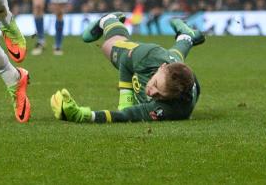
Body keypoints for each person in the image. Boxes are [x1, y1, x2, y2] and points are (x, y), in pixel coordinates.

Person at [51, 13, 203, 123]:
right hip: (143, 56)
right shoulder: (146, 55)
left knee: (174, 58)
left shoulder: (169, 109)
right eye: (155, 84)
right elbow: (125, 62)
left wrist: (84, 115)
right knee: (109, 46)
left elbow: (127, 116)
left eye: (159, 95)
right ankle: (109, 19)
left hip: (179, 72)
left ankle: (186, 36)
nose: (151, 92)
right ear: (162, 68)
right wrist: (126, 99)